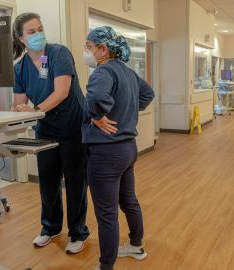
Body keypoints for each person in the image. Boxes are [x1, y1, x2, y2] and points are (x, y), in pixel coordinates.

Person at [11, 12, 89, 254]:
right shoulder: (20, 67)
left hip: (72, 128)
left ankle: (77, 233)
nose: (38, 35)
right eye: (31, 32)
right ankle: (50, 227)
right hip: (45, 131)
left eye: (40, 29)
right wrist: (19, 113)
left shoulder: (58, 53)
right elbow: (19, 103)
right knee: (48, 183)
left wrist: (33, 110)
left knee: (75, 184)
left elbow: (62, 92)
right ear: (21, 39)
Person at [82, 26, 155, 270]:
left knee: (106, 214)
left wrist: (97, 115)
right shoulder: (127, 71)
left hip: (106, 153)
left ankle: (106, 266)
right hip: (127, 150)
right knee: (128, 200)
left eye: (89, 47)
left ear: (103, 49)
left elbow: (95, 98)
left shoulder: (102, 72)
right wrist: (127, 112)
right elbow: (148, 93)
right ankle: (136, 245)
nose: (87, 52)